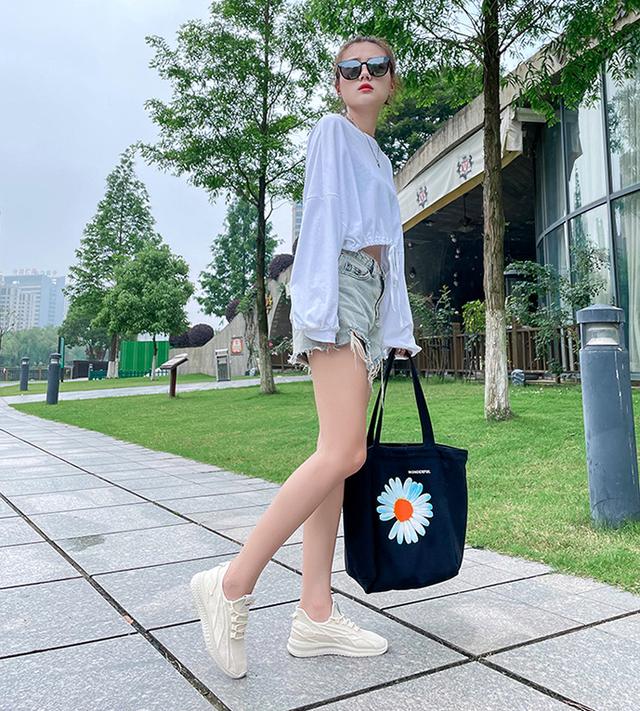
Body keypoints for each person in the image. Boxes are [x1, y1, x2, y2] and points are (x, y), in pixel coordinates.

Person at [190, 35, 422, 679]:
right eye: (351, 67)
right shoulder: (331, 132)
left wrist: (393, 327)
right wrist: (317, 314)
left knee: (336, 458)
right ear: (338, 81)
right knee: (344, 453)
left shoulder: (379, 158)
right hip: (338, 290)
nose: (364, 74)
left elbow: (390, 256)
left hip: (366, 299)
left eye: (377, 66)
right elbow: (318, 222)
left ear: (392, 82)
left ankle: (315, 614)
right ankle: (232, 583)